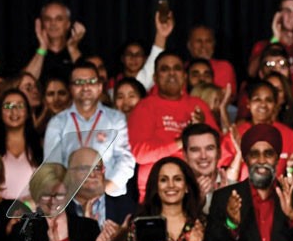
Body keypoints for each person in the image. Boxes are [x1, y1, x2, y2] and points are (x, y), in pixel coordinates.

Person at [127, 50, 219, 201]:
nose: (171, 73)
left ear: (184, 76)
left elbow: (219, 154)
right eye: (165, 69)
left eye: (177, 68)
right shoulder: (145, 106)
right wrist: (183, 140)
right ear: (155, 77)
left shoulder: (198, 105)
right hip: (156, 192)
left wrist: (201, 128)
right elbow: (141, 154)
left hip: (197, 187)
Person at [43, 60, 136, 198]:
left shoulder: (116, 119)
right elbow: (52, 164)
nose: (85, 87)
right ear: (71, 88)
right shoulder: (57, 123)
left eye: (91, 81)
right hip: (71, 198)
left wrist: (105, 187)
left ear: (99, 87)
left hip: (109, 195)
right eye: (79, 82)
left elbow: (125, 158)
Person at [0, 88, 43, 202]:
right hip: (1, 213)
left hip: (34, 213)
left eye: (19, 106)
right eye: (8, 106)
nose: (14, 111)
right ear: (0, 112)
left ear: (28, 112)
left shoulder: (40, 146)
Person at [24, 1, 85, 84]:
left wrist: (73, 48)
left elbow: (86, 81)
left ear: (68, 24)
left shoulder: (80, 50)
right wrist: (42, 48)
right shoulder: (31, 53)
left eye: (59, 19)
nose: (53, 23)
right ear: (42, 24)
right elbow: (25, 85)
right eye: (48, 19)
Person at [185, 24, 238, 98]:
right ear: (189, 45)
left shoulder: (224, 67)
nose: (203, 46)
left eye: (208, 41)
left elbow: (226, 97)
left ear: (214, 44)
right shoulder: (182, 68)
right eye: (198, 41)